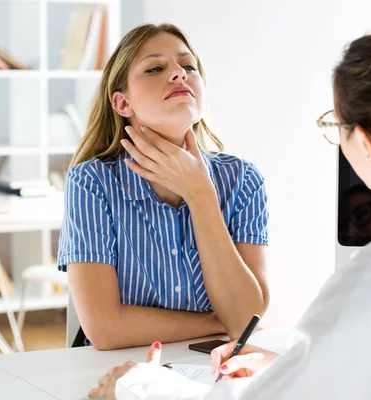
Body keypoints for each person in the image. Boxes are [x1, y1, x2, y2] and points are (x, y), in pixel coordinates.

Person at [88, 29, 371, 399]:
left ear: (366, 142)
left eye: (334, 126)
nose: (179, 76)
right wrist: (296, 364)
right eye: (156, 67)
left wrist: (140, 386)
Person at [57, 24, 270, 350]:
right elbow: (104, 329)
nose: (179, 75)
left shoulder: (244, 180)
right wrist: (219, 322)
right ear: (122, 103)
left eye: (188, 66)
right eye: (156, 68)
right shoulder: (92, 183)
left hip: (214, 372)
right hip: (121, 374)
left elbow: (244, 323)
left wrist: (200, 194)